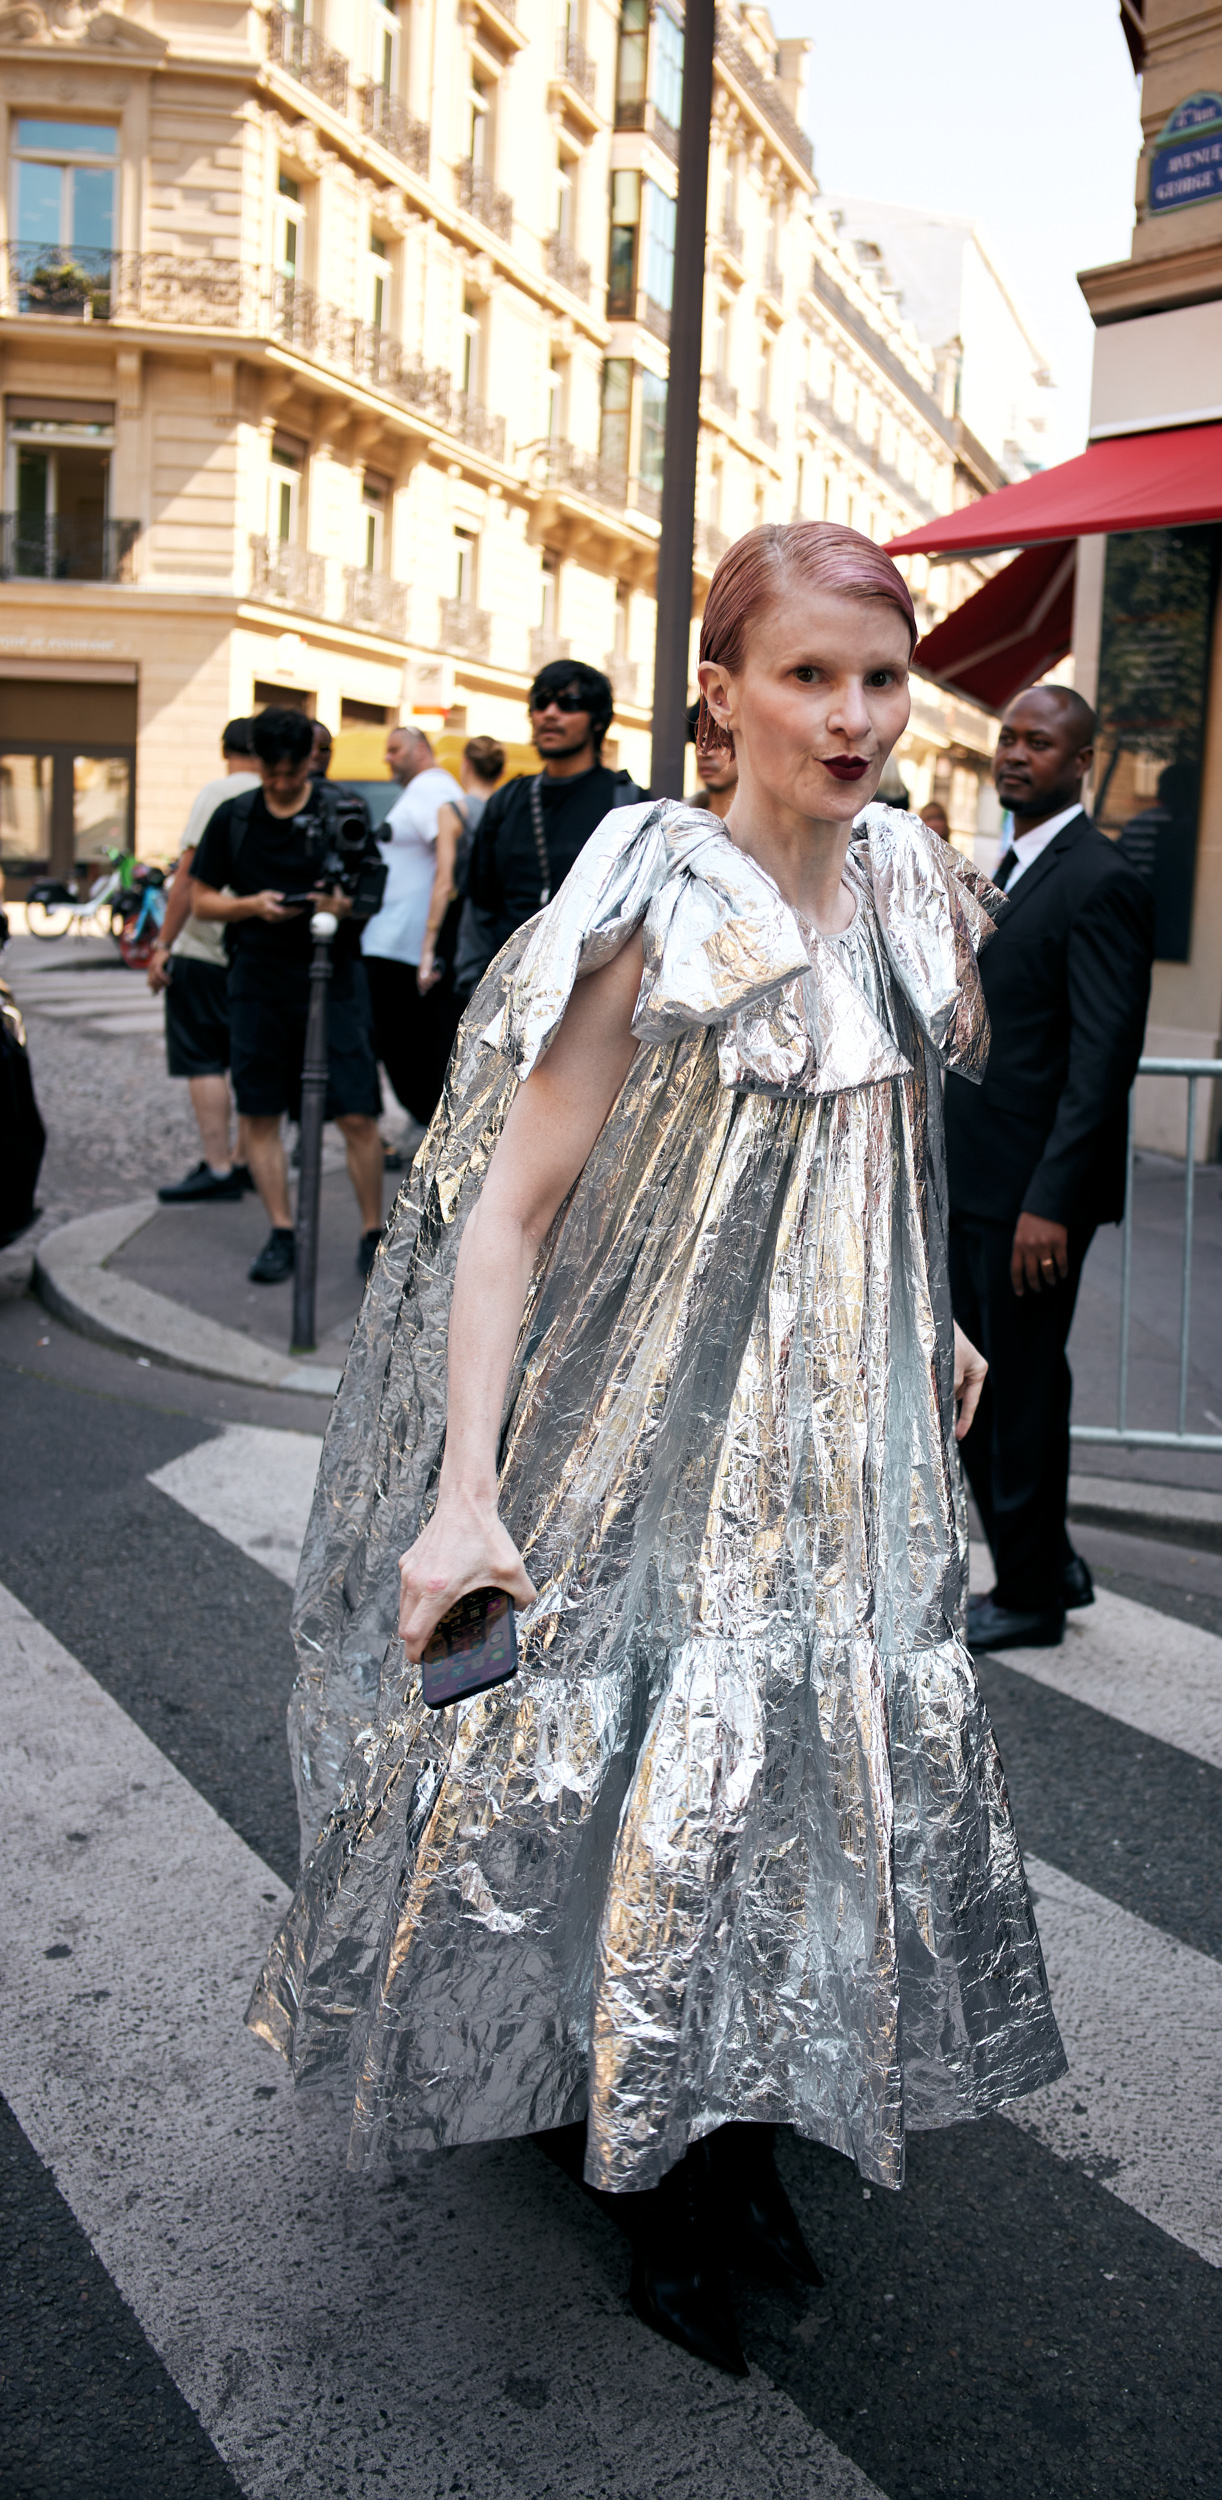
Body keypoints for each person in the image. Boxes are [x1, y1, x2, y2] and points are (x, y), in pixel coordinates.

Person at [247, 523, 1066, 2379]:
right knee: (630, 1785)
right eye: (806, 676)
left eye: (878, 677)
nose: (850, 718)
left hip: (827, 1437)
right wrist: (468, 1491)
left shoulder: (905, 892)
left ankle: (746, 2137)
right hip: (636, 1428)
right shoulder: (652, 907)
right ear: (721, 693)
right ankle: (654, 2170)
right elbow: (508, 1217)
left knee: (799, 1780)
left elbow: (880, 1142)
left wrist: (918, 1305)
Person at [946, 683, 1155, 1651]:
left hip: (1029, 1202)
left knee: (1016, 1396)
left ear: (1081, 761)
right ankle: (1049, 1562)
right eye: (1007, 734)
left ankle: (1029, 1590)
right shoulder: (1014, 865)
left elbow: (1100, 1059)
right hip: (976, 1184)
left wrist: (1050, 1203)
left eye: (1038, 740)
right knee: (982, 1391)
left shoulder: (1098, 877)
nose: (1014, 752)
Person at [188, 706, 385, 1287]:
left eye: (289, 771)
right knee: (259, 1109)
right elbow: (200, 899)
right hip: (258, 979)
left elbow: (371, 889)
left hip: (337, 976)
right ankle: (281, 1231)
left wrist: (342, 907)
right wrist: (252, 905)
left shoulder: (342, 808)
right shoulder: (236, 816)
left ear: (309, 761)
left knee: (356, 1112)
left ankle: (372, 1234)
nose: (278, 782)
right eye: (268, 771)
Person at [150, 717, 259, 1203]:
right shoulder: (280, 794)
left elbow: (188, 878)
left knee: (204, 1058)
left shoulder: (218, 792)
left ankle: (218, 1169)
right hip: (253, 949)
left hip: (204, 943)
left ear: (225, 749)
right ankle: (244, 1159)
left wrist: (163, 944)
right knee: (247, 1060)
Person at [466, 660, 642, 961]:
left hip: (587, 983)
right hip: (506, 982)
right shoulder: (508, 799)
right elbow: (480, 902)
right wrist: (473, 980)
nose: (550, 713)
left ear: (597, 720)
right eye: (541, 702)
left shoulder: (626, 801)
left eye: (568, 704)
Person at [358, 726, 466, 1132]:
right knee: (405, 1044)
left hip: (401, 945)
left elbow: (448, 861)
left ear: (421, 750)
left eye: (395, 749)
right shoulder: (426, 790)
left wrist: (428, 942)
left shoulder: (431, 789)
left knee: (402, 1045)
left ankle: (428, 1128)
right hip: (395, 941)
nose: (387, 757)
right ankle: (426, 1125)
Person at [435, 734, 506, 1003]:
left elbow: (444, 882)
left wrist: (429, 944)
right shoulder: (507, 809)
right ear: (500, 770)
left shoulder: (453, 811)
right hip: (497, 920)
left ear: (465, 764)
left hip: (460, 920)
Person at [684, 695, 739, 818]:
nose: (704, 753)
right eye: (698, 742)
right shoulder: (678, 822)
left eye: (719, 743)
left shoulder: (772, 828)